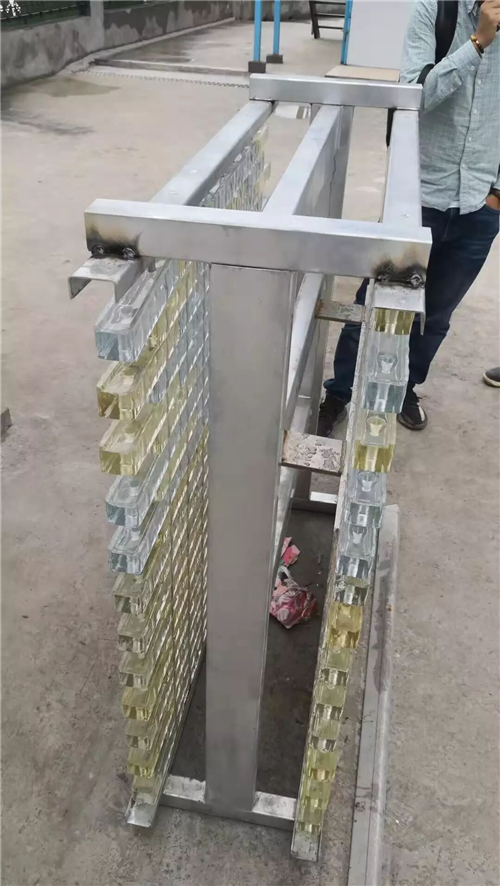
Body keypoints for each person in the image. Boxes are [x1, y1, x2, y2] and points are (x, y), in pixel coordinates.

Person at [318, 0, 500, 435]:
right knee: (375, 301)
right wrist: (477, 43)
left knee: (435, 317)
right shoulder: (435, 11)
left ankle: (405, 388)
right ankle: (339, 392)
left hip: (479, 205)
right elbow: (416, 96)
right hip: (419, 197)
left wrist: (496, 193)